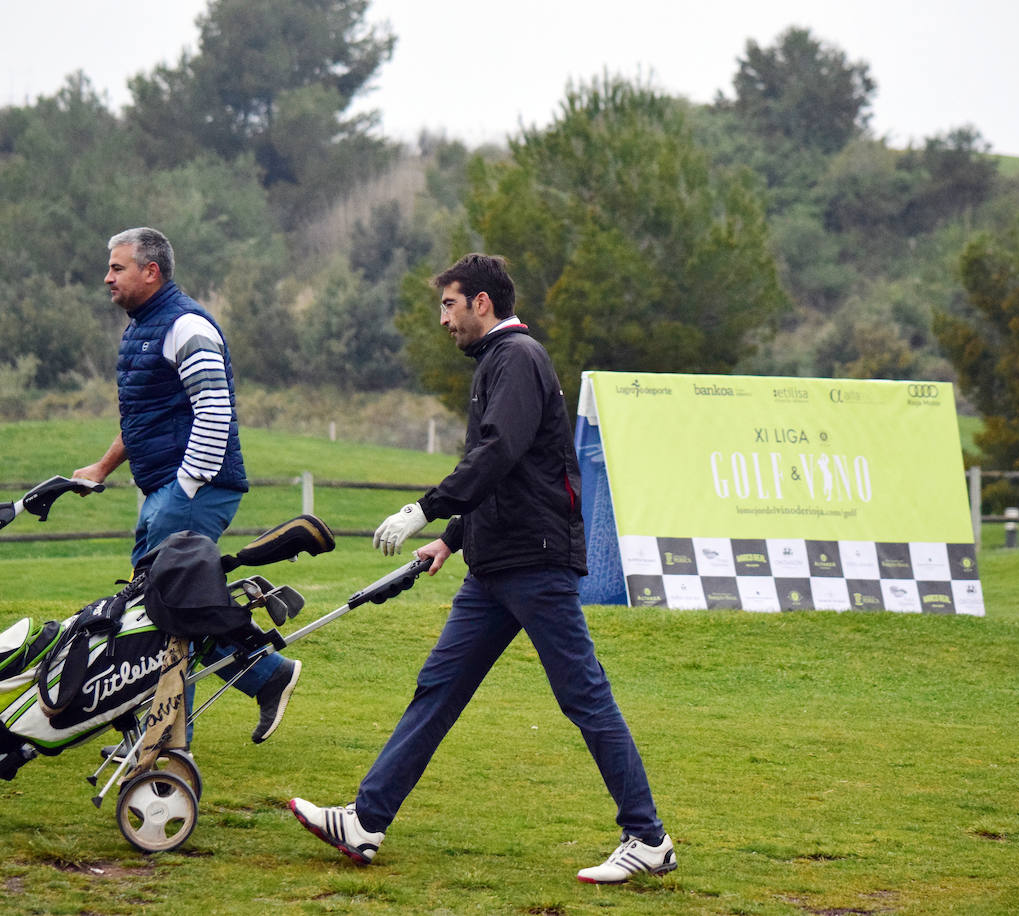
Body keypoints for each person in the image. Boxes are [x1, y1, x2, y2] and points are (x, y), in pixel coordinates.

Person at [288, 253, 676, 884]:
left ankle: (648, 837)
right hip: (494, 565)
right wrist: (452, 538)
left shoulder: (517, 359)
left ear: (482, 304)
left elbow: (498, 453)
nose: (443, 319)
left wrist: (426, 507)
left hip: (535, 562)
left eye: (449, 304)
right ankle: (366, 821)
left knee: (583, 695)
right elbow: (507, 473)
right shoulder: (496, 363)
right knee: (437, 690)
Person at [73, 226, 300, 745]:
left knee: (165, 612)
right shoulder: (144, 327)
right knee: (155, 609)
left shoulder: (185, 325)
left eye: (117, 267)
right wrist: (104, 468)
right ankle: (265, 678)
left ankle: (166, 742)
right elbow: (147, 419)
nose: (107, 277)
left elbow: (214, 410)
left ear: (151, 272)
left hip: (195, 490)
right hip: (169, 491)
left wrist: (185, 487)